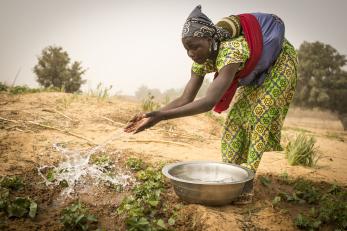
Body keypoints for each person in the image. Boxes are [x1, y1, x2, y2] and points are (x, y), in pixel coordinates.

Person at [124, 5, 298, 202]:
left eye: (195, 46)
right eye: (187, 49)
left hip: (279, 63)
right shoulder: (200, 60)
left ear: (210, 39)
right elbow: (185, 98)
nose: (191, 53)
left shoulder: (231, 52)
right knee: (234, 122)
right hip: (253, 71)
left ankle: (246, 186)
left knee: (260, 114)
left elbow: (208, 102)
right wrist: (152, 115)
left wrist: (162, 117)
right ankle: (232, 179)